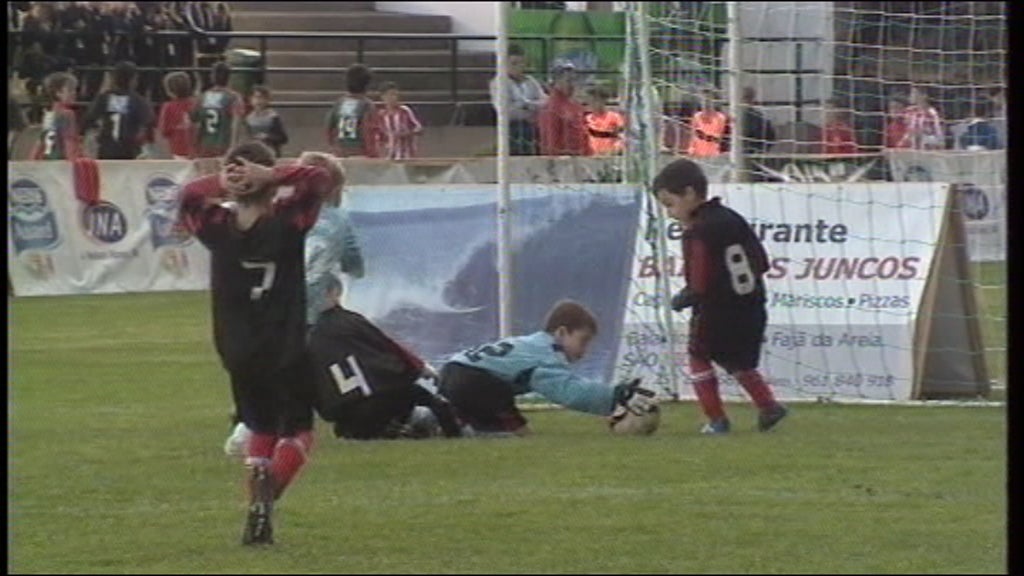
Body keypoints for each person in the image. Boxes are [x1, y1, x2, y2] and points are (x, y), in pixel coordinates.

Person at [178, 141, 333, 545]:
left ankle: (258, 495)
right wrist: (271, 174)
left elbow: (189, 194)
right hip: (284, 343)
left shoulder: (215, 228)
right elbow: (319, 178)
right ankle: (263, 502)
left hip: (236, 347)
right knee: (299, 431)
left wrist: (230, 180)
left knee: (260, 426)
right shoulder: (288, 222)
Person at [652, 158, 788, 435]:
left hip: (716, 308)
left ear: (689, 194)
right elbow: (761, 262)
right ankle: (768, 406)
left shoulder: (697, 231)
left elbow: (699, 279)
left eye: (669, 204)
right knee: (736, 359)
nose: (670, 213)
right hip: (751, 304)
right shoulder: (732, 218)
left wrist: (687, 297)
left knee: (698, 356)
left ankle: (716, 420)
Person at [437, 300, 653, 436]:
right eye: (583, 340)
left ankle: (439, 420)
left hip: (450, 371)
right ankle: (514, 432)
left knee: (477, 424)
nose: (584, 351)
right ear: (561, 333)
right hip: (472, 379)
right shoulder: (546, 355)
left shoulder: (531, 344)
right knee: (507, 416)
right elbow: (569, 392)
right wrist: (614, 397)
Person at [307, 275, 463, 440]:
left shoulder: (306, 335)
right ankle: (456, 438)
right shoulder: (350, 321)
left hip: (347, 419)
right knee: (434, 402)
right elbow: (388, 346)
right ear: (335, 292)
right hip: (380, 399)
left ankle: (388, 429)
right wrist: (422, 368)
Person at [82, 60, 156, 160]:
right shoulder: (137, 100)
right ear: (133, 79)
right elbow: (149, 123)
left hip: (106, 148)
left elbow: (89, 118)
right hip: (130, 149)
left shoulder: (104, 97)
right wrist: (149, 144)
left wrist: (93, 133)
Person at [489, 43, 546, 156]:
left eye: (521, 63)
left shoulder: (531, 81)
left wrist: (526, 105)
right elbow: (505, 111)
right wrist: (531, 109)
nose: (518, 67)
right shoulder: (499, 83)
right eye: (514, 63)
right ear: (504, 64)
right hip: (510, 129)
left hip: (532, 127)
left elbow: (544, 102)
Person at [325, 63, 379, 158]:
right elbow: (367, 131)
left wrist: (333, 147)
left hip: (341, 151)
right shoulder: (367, 105)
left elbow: (328, 127)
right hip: (360, 153)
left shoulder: (339, 103)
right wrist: (373, 153)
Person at [192, 61, 245, 158]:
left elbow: (194, 121)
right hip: (223, 144)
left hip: (205, 144)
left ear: (212, 77)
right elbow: (236, 122)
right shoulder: (234, 97)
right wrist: (233, 145)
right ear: (229, 78)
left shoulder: (202, 97)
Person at [537, 62, 589, 156]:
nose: (572, 85)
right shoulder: (551, 108)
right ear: (556, 81)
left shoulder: (575, 106)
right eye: (568, 80)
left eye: (574, 80)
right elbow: (551, 144)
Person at [31, 72, 83, 161]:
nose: (74, 93)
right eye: (70, 90)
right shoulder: (67, 114)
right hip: (61, 160)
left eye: (74, 90)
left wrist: (33, 159)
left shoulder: (49, 113)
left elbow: (42, 140)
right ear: (58, 93)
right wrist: (73, 161)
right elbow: (69, 140)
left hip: (47, 158)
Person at [376, 81, 423, 160]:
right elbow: (380, 136)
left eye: (395, 95)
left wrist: (406, 134)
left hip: (407, 156)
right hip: (390, 156)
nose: (394, 97)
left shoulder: (404, 111)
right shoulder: (382, 115)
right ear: (383, 97)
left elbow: (419, 129)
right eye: (391, 94)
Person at [157, 71, 196, 160]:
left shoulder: (168, 107)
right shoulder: (196, 104)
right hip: (197, 148)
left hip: (178, 149)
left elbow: (163, 130)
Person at [244, 85, 289, 158]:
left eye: (262, 98)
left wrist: (267, 137)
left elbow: (283, 138)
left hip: (270, 152)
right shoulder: (249, 118)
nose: (258, 101)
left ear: (267, 100)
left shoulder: (272, 117)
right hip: (255, 152)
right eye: (256, 97)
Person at [583, 85, 624, 156]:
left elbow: (623, 137)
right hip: (591, 157)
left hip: (610, 156)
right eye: (589, 101)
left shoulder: (615, 117)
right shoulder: (586, 119)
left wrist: (615, 150)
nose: (591, 103)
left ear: (603, 101)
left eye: (595, 100)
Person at [686, 91, 728, 158]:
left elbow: (719, 138)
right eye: (703, 100)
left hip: (713, 155)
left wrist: (703, 135)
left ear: (714, 102)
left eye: (708, 101)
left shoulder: (720, 118)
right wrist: (691, 149)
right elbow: (692, 136)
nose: (706, 103)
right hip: (697, 154)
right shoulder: (696, 116)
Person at [740, 86, 775, 154]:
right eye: (745, 97)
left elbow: (770, 137)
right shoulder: (727, 118)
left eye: (747, 97)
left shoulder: (758, 118)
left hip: (752, 153)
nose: (745, 100)